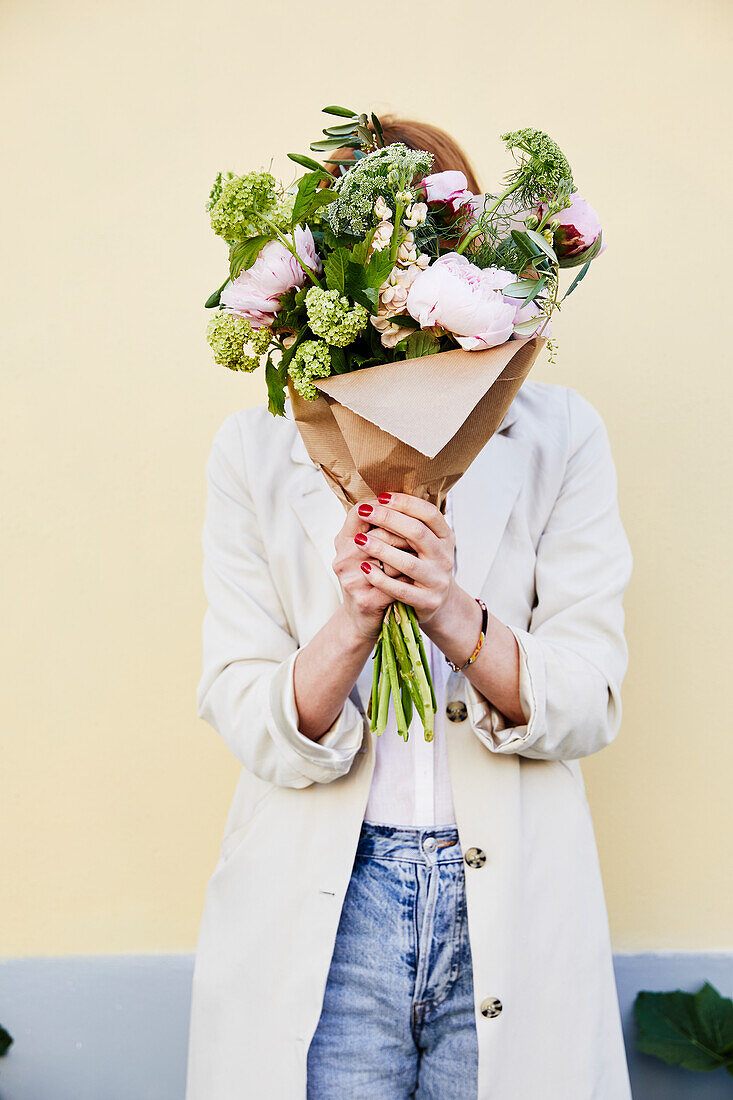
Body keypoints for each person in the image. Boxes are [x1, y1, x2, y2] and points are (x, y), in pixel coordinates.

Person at [185, 119, 634, 1100]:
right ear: (318, 280)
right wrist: (352, 620)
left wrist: (454, 615)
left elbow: (590, 696)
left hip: (505, 895)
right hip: (332, 901)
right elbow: (244, 708)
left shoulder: (558, 435)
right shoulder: (255, 451)